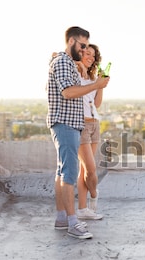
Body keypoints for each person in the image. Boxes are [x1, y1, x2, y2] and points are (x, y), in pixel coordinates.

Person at [47, 26, 109, 239]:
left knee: (62, 172)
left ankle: (62, 218)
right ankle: (74, 223)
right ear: (72, 41)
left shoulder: (66, 63)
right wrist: (97, 85)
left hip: (72, 124)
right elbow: (68, 92)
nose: (84, 51)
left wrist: (97, 84)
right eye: (83, 46)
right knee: (70, 174)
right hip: (66, 124)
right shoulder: (63, 61)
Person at [75, 44, 104, 220]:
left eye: (93, 55)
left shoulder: (92, 77)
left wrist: (100, 84)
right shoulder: (74, 73)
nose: (90, 57)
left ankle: (82, 209)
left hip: (95, 123)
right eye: (87, 53)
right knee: (91, 170)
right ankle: (94, 194)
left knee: (84, 170)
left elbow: (97, 103)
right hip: (81, 124)